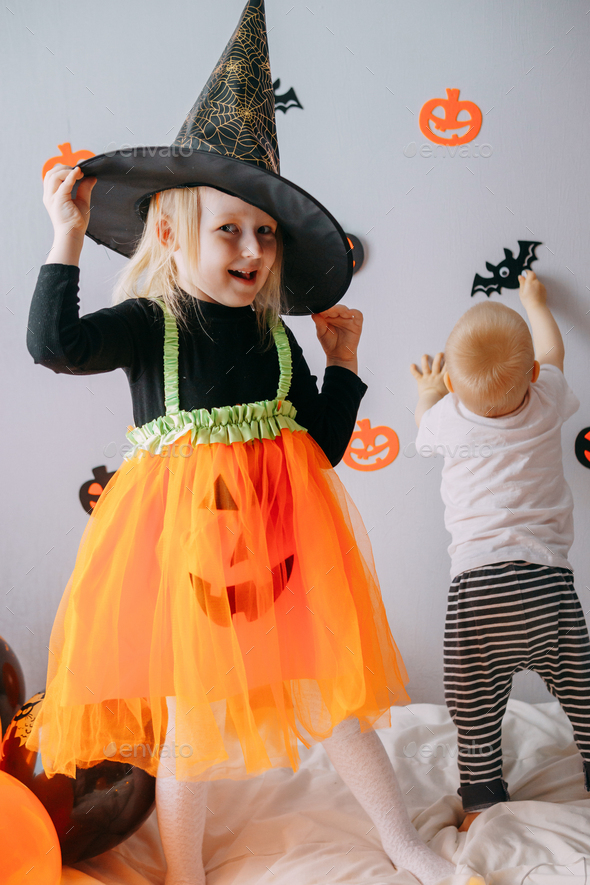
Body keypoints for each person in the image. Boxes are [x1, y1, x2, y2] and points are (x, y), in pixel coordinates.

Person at [24, 3, 457, 883]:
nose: (255, 248)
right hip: (191, 574)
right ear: (175, 233)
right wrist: (65, 234)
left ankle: (405, 842)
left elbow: (324, 447)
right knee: (192, 726)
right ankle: (187, 873)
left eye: (266, 234)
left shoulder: (275, 340)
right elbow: (53, 346)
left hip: (285, 567)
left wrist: (344, 360)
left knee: (338, 712)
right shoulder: (153, 324)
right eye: (232, 229)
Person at [410, 270, 590, 831]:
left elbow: (422, 429)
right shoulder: (548, 396)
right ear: (532, 374)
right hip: (548, 584)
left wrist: (429, 394)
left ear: (459, 390)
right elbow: (554, 350)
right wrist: (535, 301)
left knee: (474, 707)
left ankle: (483, 797)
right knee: (582, 691)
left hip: (478, 590)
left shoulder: (448, 420)